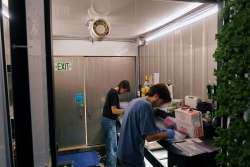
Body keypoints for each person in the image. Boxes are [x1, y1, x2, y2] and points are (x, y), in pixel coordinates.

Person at [117, 83, 175, 167]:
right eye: (161, 102)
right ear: (156, 96)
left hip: (123, 151)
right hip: (132, 155)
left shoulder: (136, 101)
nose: (160, 105)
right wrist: (168, 134)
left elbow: (136, 123)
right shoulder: (146, 106)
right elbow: (149, 137)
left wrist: (154, 128)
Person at [101, 80, 131, 167]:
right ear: (121, 87)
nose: (124, 93)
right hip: (108, 121)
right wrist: (125, 110)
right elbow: (114, 111)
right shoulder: (114, 94)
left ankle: (111, 164)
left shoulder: (111, 91)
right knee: (112, 148)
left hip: (106, 120)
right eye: (124, 91)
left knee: (110, 146)